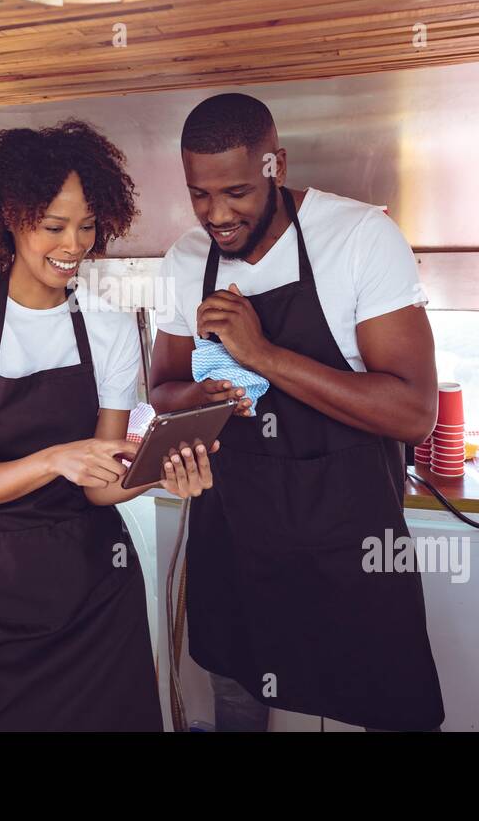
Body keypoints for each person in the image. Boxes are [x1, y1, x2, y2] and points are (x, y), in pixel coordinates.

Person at [148, 93, 445, 732]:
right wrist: (206, 397)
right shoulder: (184, 262)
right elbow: (163, 391)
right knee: (236, 699)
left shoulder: (361, 237)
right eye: (200, 195)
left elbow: (414, 411)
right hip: (235, 539)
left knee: (395, 709)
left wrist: (263, 355)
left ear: (275, 165)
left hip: (352, 543)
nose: (217, 216)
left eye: (236, 192)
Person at [0, 119, 215, 731]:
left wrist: (158, 474)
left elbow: (99, 484)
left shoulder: (107, 329)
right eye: (53, 226)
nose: (73, 244)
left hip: (96, 590)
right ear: (8, 217)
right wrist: (55, 457)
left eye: (86, 226)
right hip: (0, 600)